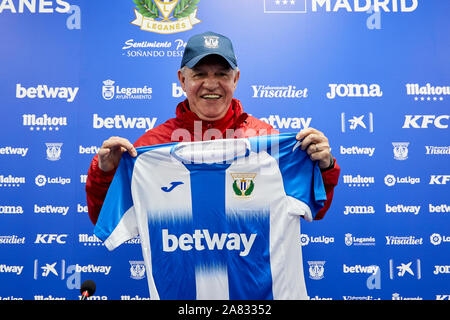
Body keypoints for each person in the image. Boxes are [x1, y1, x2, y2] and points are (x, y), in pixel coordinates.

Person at [86, 31, 340, 225]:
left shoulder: (267, 140)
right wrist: (105, 173)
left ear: (236, 79)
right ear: (182, 80)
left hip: (249, 288)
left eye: (221, 74)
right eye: (199, 74)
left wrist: (324, 166)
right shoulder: (153, 145)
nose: (211, 84)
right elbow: (105, 218)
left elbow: (315, 210)